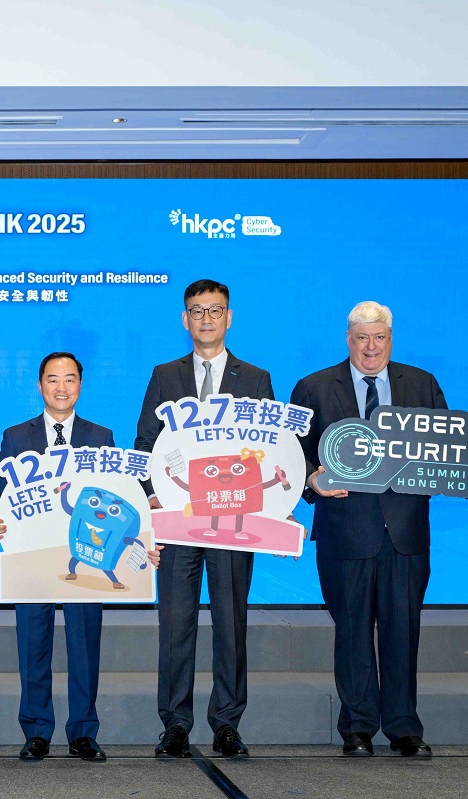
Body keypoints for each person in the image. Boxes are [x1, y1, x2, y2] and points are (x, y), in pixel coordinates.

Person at [291, 301, 446, 758]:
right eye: (362, 338)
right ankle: (356, 726)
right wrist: (310, 481)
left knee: (403, 631)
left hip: (405, 532)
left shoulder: (421, 384)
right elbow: (289, 453)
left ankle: (404, 727)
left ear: (391, 339)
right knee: (353, 631)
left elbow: (444, 451)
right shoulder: (314, 387)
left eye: (379, 337)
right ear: (348, 339)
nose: (371, 347)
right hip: (344, 529)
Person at [135, 279, 273, 760]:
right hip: (177, 521)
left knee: (231, 623)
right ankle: (175, 723)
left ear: (229, 317)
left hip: (235, 524)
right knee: (175, 624)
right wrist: (151, 495)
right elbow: (145, 445)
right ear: (184, 319)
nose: (207, 319)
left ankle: (227, 724)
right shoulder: (164, 375)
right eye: (197, 311)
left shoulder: (256, 379)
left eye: (215, 311)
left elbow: (273, 451)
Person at [0, 352, 116, 762]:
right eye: (53, 380)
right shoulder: (16, 436)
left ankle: (83, 731)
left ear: (81, 385)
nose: (61, 388)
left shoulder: (101, 436)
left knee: (84, 644)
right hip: (32, 554)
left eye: (70, 379)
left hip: (86, 555)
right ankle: (37, 730)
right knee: (33, 643)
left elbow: (115, 494)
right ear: (40, 385)